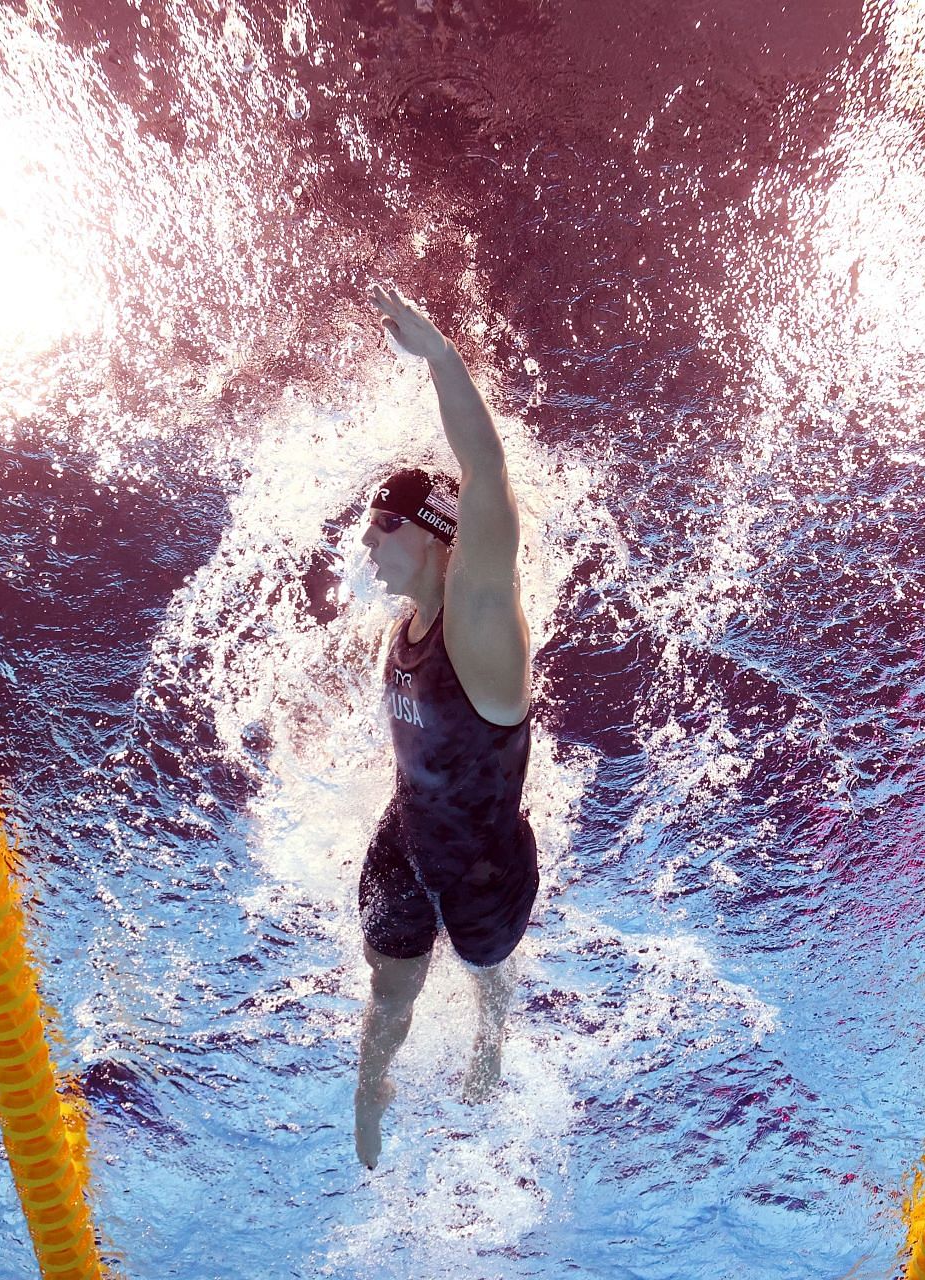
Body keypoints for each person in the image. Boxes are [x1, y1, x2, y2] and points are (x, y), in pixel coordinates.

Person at [352, 285, 540, 1170]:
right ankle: (375, 1079)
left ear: (435, 536)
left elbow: (489, 482)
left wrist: (439, 358)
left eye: (384, 524)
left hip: (483, 865)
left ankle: (492, 1037)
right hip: (409, 835)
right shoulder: (407, 623)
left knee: (483, 969)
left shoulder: (479, 630)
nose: (368, 543)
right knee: (388, 988)